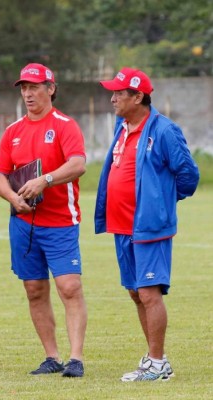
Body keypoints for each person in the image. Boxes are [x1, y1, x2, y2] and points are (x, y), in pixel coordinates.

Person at [96, 67, 199, 381]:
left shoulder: (165, 131)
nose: (112, 98)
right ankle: (157, 360)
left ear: (137, 96)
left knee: (150, 292)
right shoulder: (122, 126)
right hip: (122, 226)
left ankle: (157, 363)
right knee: (135, 292)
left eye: (118, 93)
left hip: (149, 227)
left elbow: (189, 177)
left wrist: (160, 202)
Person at [0, 63, 87, 378]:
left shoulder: (64, 125)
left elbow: (77, 165)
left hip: (60, 221)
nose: (28, 93)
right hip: (24, 224)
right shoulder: (13, 131)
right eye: (24, 88)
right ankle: (52, 357)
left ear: (51, 88)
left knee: (69, 286)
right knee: (34, 288)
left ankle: (76, 359)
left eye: (34, 87)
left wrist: (45, 179)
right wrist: (12, 197)